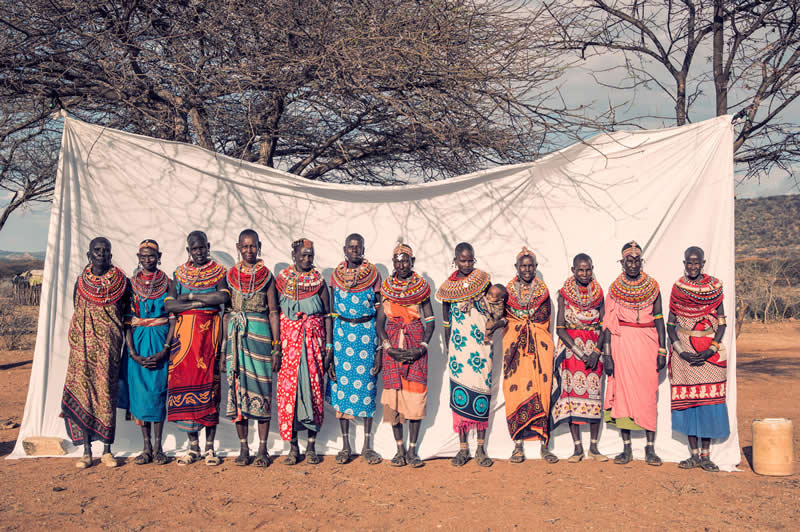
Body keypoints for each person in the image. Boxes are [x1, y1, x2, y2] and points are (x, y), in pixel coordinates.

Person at [61, 237, 130, 469]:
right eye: (97, 250)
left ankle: (108, 450)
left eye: (106, 250)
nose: (101, 253)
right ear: (89, 254)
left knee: (105, 395)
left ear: (111, 254)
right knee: (85, 395)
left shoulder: (122, 282)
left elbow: (126, 314)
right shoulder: (81, 282)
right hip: (82, 349)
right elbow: (76, 308)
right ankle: (87, 451)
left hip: (108, 348)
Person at [165, 231, 230, 466]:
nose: (199, 252)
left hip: (209, 340)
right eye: (194, 249)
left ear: (208, 247)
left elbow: (222, 296)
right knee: (185, 390)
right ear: (188, 251)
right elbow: (170, 303)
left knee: (211, 390)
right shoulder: (179, 274)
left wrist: (189, 300)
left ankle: (210, 448)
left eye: (202, 248)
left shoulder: (219, 272)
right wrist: (200, 298)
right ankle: (193, 447)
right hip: (183, 345)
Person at [603, 240, 666, 466]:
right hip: (622, 345)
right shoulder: (614, 288)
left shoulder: (653, 286)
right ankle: (626, 448)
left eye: (636, 260)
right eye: (629, 261)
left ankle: (650, 449)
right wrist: (607, 355)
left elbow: (659, 319)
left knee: (649, 396)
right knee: (622, 394)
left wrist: (662, 348)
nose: (633, 264)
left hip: (648, 344)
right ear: (622, 262)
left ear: (642, 261)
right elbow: (609, 324)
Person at [667, 246, 729, 472]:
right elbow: (670, 324)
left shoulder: (714, 288)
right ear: (684, 263)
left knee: (709, 405)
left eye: (697, 263)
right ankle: (693, 455)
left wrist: (711, 349)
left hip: (710, 356)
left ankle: (706, 456)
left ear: (703, 264)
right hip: (683, 354)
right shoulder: (678, 288)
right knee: (688, 405)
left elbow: (722, 324)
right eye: (689, 263)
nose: (692, 267)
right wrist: (680, 351)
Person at [225, 229, 281, 467]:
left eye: (253, 246)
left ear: (259, 246)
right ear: (238, 247)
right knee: (238, 392)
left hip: (260, 336)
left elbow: (273, 311)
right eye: (245, 246)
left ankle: (262, 449)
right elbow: (226, 313)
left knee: (262, 392)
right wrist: (222, 351)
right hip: (236, 339)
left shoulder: (267, 276)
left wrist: (276, 346)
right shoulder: (230, 276)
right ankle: (243, 448)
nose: (249, 250)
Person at [376, 241, 435, 468]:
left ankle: (412, 450)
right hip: (392, 349)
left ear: (413, 262)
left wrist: (421, 347)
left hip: (416, 348)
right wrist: (388, 347)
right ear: (393, 263)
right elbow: (380, 323)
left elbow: (430, 321)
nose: (402, 265)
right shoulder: (387, 288)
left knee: (415, 397)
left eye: (406, 260)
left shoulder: (421, 287)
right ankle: (398, 449)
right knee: (394, 400)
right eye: (398, 261)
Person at [326, 234, 383, 465]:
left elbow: (380, 311)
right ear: (344, 249)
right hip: (341, 338)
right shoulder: (335, 277)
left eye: (358, 247)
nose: (354, 250)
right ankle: (346, 446)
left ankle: (367, 446)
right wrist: (330, 350)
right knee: (342, 392)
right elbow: (330, 313)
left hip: (367, 334)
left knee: (368, 390)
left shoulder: (373, 275)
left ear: (364, 249)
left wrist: (379, 348)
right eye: (351, 247)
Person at [275, 238, 333, 465]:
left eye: (311, 255)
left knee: (314, 392)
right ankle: (292, 448)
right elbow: (274, 312)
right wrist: (276, 348)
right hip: (289, 347)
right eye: (303, 255)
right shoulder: (281, 281)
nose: (308, 259)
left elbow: (328, 316)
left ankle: (311, 446)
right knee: (290, 394)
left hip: (313, 344)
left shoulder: (319, 282)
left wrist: (328, 346)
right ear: (294, 256)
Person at [438, 242, 494, 467]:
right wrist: (448, 346)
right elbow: (446, 321)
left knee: (482, 392)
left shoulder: (484, 281)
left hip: (481, 347)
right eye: (463, 260)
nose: (468, 264)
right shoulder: (448, 288)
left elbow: (496, 308)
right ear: (455, 260)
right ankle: (463, 449)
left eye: (471, 260)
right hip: (459, 350)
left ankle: (481, 448)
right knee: (459, 396)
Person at [502, 247, 558, 464]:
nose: (527, 269)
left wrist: (531, 329)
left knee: (542, 392)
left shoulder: (543, 292)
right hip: (514, 352)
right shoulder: (507, 292)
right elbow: (504, 318)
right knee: (514, 393)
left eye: (530, 265)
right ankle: (517, 446)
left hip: (539, 351)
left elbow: (545, 322)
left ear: (536, 267)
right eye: (523, 266)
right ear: (516, 268)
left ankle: (545, 445)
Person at [550, 253, 607, 462]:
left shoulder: (599, 294)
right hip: (571, 349)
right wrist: (581, 353)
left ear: (592, 268)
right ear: (573, 270)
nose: (584, 273)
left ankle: (594, 448)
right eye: (580, 270)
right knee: (571, 398)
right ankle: (577, 449)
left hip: (594, 350)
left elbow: (604, 326)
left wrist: (596, 352)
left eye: (588, 269)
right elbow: (560, 329)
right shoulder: (564, 294)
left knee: (594, 396)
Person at [122, 239, 175, 466]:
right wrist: (132, 353)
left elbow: (174, 319)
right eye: (143, 257)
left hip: (161, 343)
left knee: (158, 393)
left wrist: (166, 349)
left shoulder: (169, 283)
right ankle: (145, 448)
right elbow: (126, 321)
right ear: (138, 257)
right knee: (140, 395)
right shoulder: (131, 284)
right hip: (138, 344)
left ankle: (159, 447)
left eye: (151, 256)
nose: (147, 260)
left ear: (159, 256)